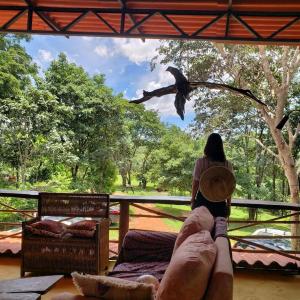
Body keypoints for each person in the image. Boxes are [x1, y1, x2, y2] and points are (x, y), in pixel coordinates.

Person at [191, 133, 234, 217]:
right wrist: (228, 204)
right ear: (221, 147)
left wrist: (193, 199)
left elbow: (195, 183)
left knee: (201, 227)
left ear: (207, 146)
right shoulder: (227, 164)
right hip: (220, 202)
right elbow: (229, 187)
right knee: (218, 229)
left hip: (202, 201)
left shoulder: (201, 162)